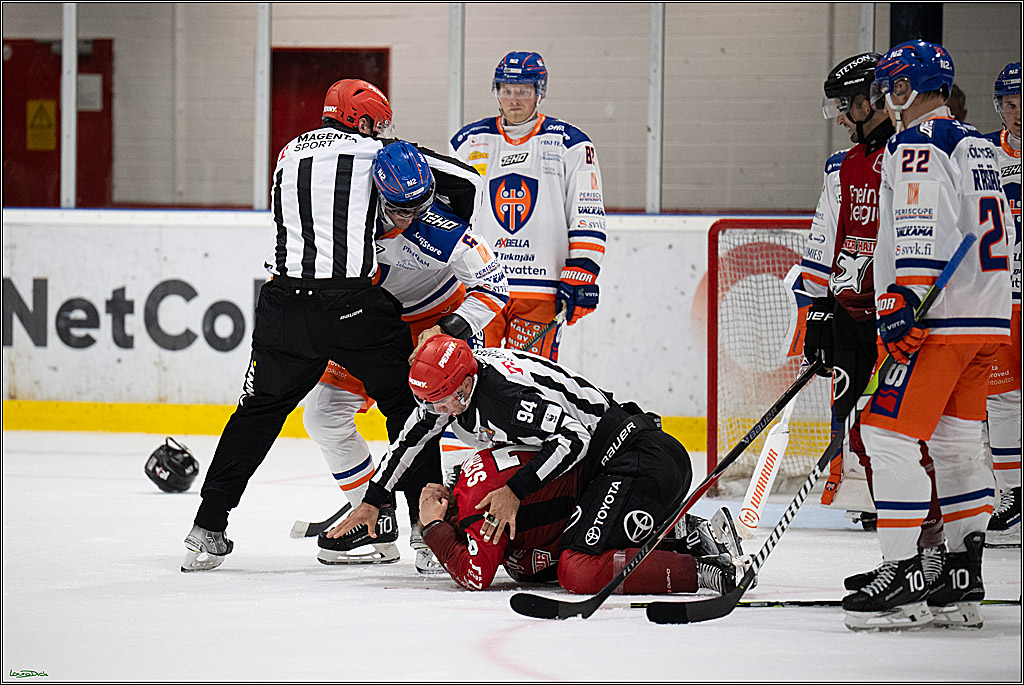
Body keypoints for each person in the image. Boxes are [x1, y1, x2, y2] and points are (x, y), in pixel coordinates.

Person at [180, 79, 463, 572]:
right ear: (366, 120)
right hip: (351, 305)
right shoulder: (379, 153)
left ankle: (207, 528)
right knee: (407, 406)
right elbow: (458, 182)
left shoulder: (289, 153)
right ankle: (424, 534)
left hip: (283, 306)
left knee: (257, 414)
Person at [842, 40, 1013, 631]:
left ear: (908, 87)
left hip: (937, 321)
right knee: (957, 447)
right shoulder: (979, 145)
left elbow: (922, 224)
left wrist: (902, 299)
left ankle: (904, 575)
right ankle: (962, 578)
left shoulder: (916, 144)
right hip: (986, 319)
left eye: (891, 87)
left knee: (885, 435)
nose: (887, 99)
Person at [305, 141, 509, 572]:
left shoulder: (440, 226)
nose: (415, 219)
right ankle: (373, 518)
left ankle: (429, 525)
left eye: (424, 205)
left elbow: (496, 285)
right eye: (402, 210)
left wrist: (450, 328)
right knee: (323, 414)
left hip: (436, 317)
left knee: (439, 419)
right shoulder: (339, 219)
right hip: (370, 323)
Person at [801, 53, 946, 582]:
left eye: (846, 106)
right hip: (850, 319)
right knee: (856, 437)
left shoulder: (915, 154)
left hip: (900, 321)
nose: (840, 117)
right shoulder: (842, 167)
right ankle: (906, 555)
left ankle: (935, 549)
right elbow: (824, 240)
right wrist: (816, 310)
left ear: (870, 101)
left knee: (901, 438)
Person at [445, 50, 607, 473]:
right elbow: (446, 211)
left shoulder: (570, 142)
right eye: (507, 89)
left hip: (542, 287)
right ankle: (468, 475)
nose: (514, 98)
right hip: (481, 289)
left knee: (526, 390)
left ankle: (523, 478)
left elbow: (586, 208)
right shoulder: (467, 141)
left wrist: (583, 268)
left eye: (524, 90)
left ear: (540, 92)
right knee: (468, 384)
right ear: (496, 91)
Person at [416, 444, 744, 595]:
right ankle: (690, 533)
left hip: (625, 471)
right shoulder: (471, 476)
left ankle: (703, 571)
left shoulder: (477, 507)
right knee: (530, 566)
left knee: (577, 570)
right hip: (630, 467)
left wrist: (432, 528)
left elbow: (475, 575)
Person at [981, 61, 1021, 547]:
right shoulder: (985, 154)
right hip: (1005, 296)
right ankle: (1012, 489)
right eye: (1010, 104)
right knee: (1003, 396)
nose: (1018, 113)